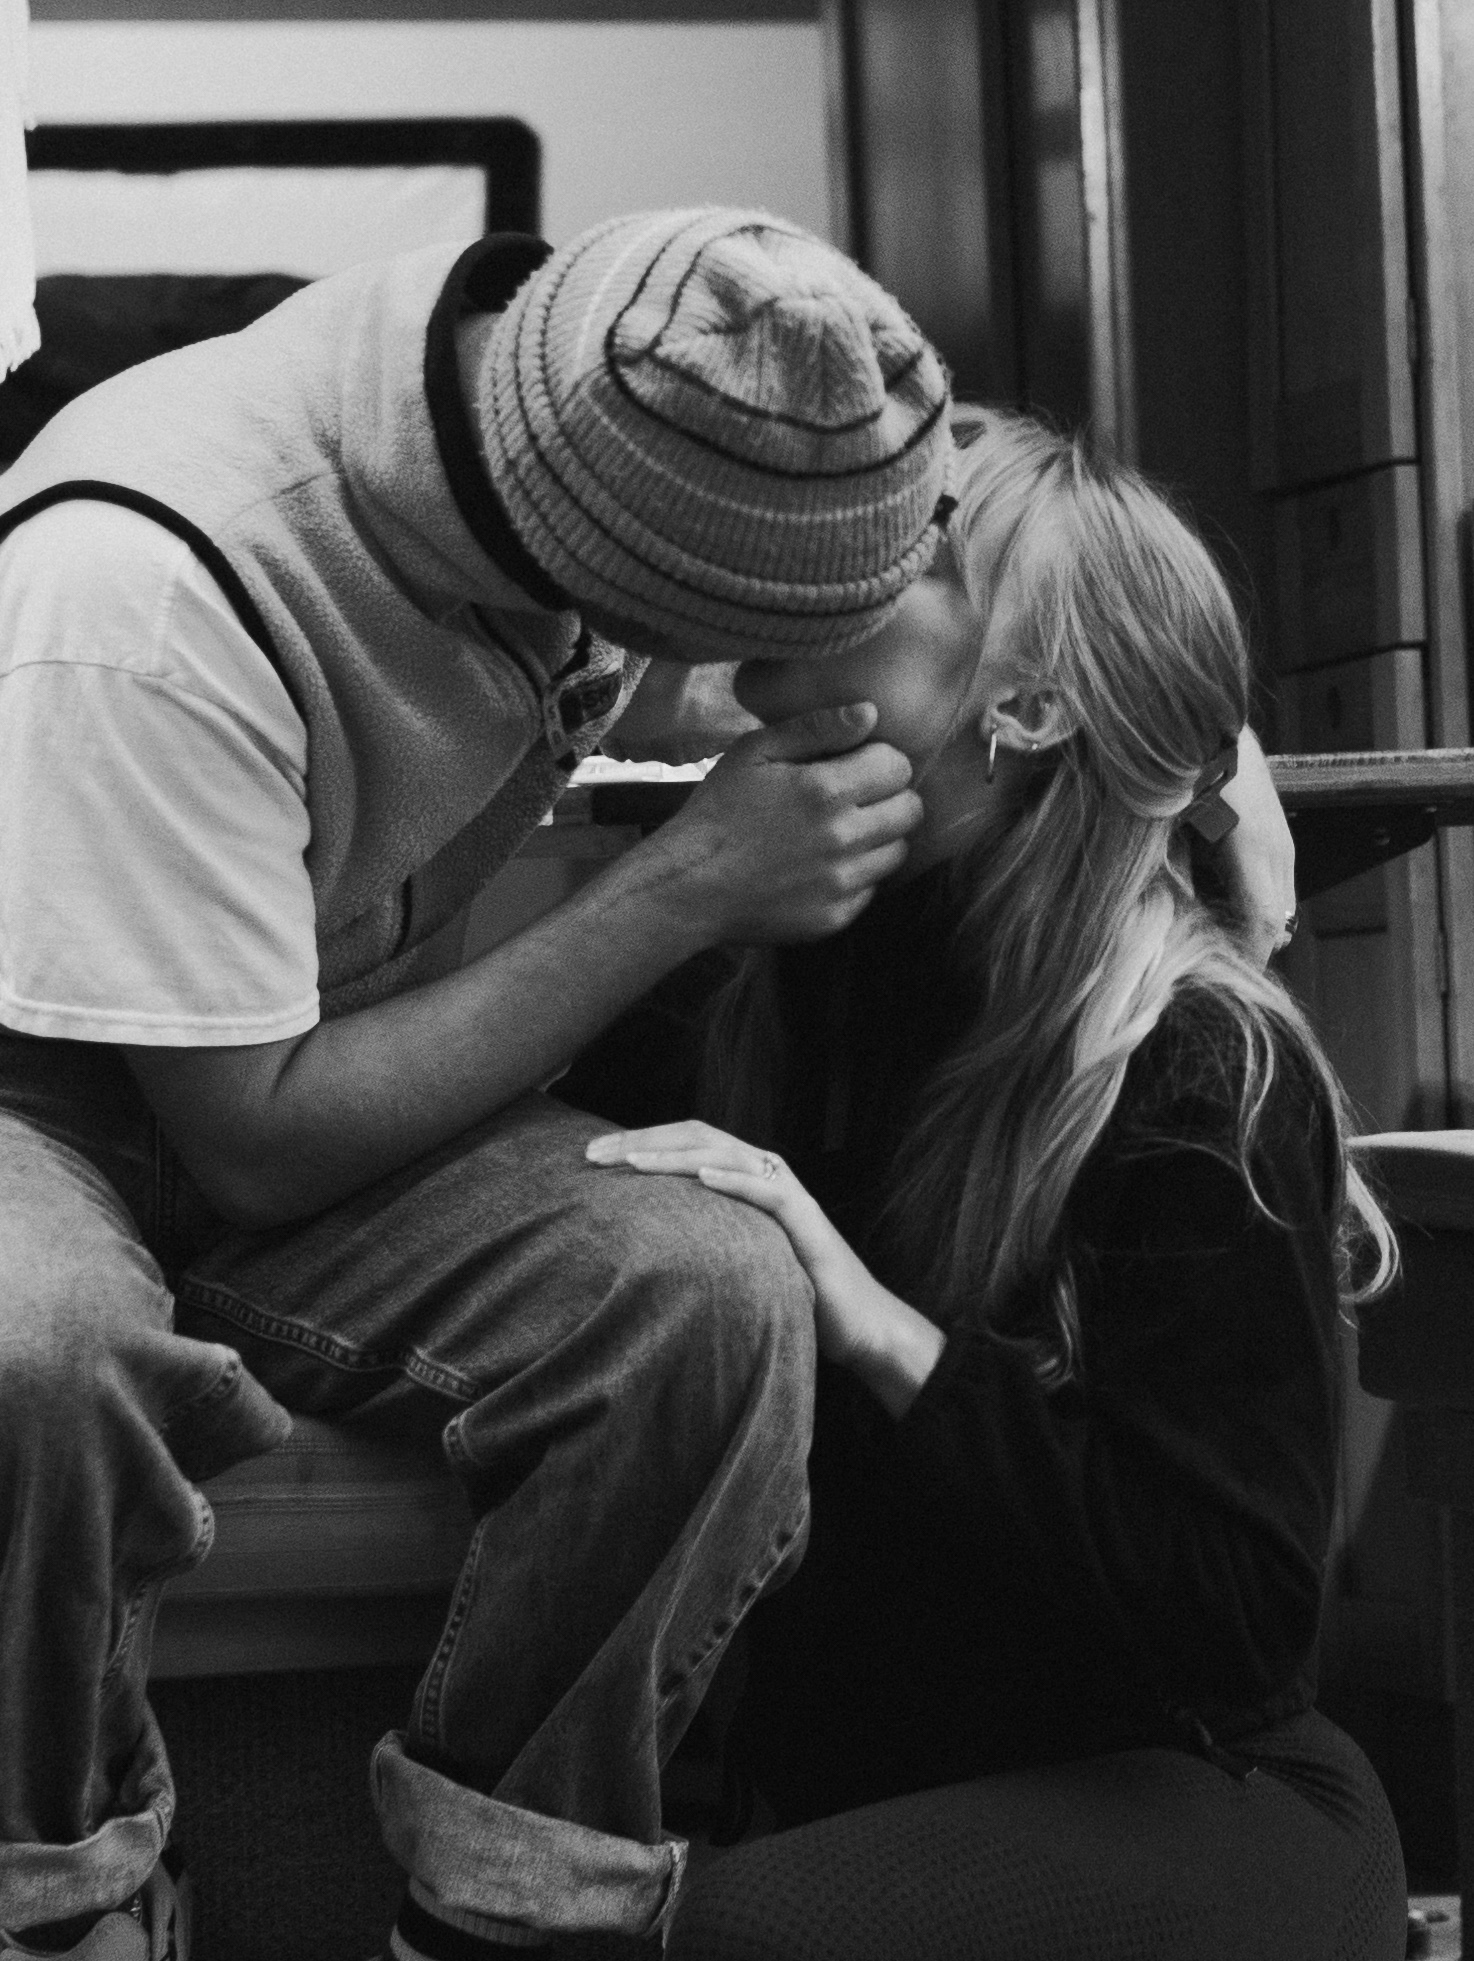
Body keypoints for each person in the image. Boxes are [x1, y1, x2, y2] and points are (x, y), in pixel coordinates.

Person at [0, 207, 958, 1961]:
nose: (749, 683)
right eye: (721, 638)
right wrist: (681, 889)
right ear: (577, 551)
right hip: (43, 1101)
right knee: (30, 1347)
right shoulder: (143, 584)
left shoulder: (592, 380)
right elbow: (255, 1143)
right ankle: (60, 1903)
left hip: (300, 1044)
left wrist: (1173, 735)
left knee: (706, 1288)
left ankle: (504, 1919)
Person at [585, 409, 1409, 1961]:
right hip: (907, 1795)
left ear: (1024, 702)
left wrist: (875, 1326)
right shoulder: (798, 985)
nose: (835, 566)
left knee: (723, 1938)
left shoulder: (1190, 1066)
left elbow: (1236, 1628)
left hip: (1203, 1791)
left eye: (906, 551)